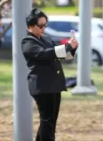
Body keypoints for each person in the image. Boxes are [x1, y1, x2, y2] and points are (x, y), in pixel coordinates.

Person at [21, 8, 79, 141]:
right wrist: (66, 47)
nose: (43, 28)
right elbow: (45, 54)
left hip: (53, 85)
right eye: (40, 26)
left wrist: (72, 48)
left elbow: (63, 55)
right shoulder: (28, 42)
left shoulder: (46, 38)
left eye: (45, 25)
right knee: (47, 121)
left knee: (49, 121)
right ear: (30, 26)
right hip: (42, 86)